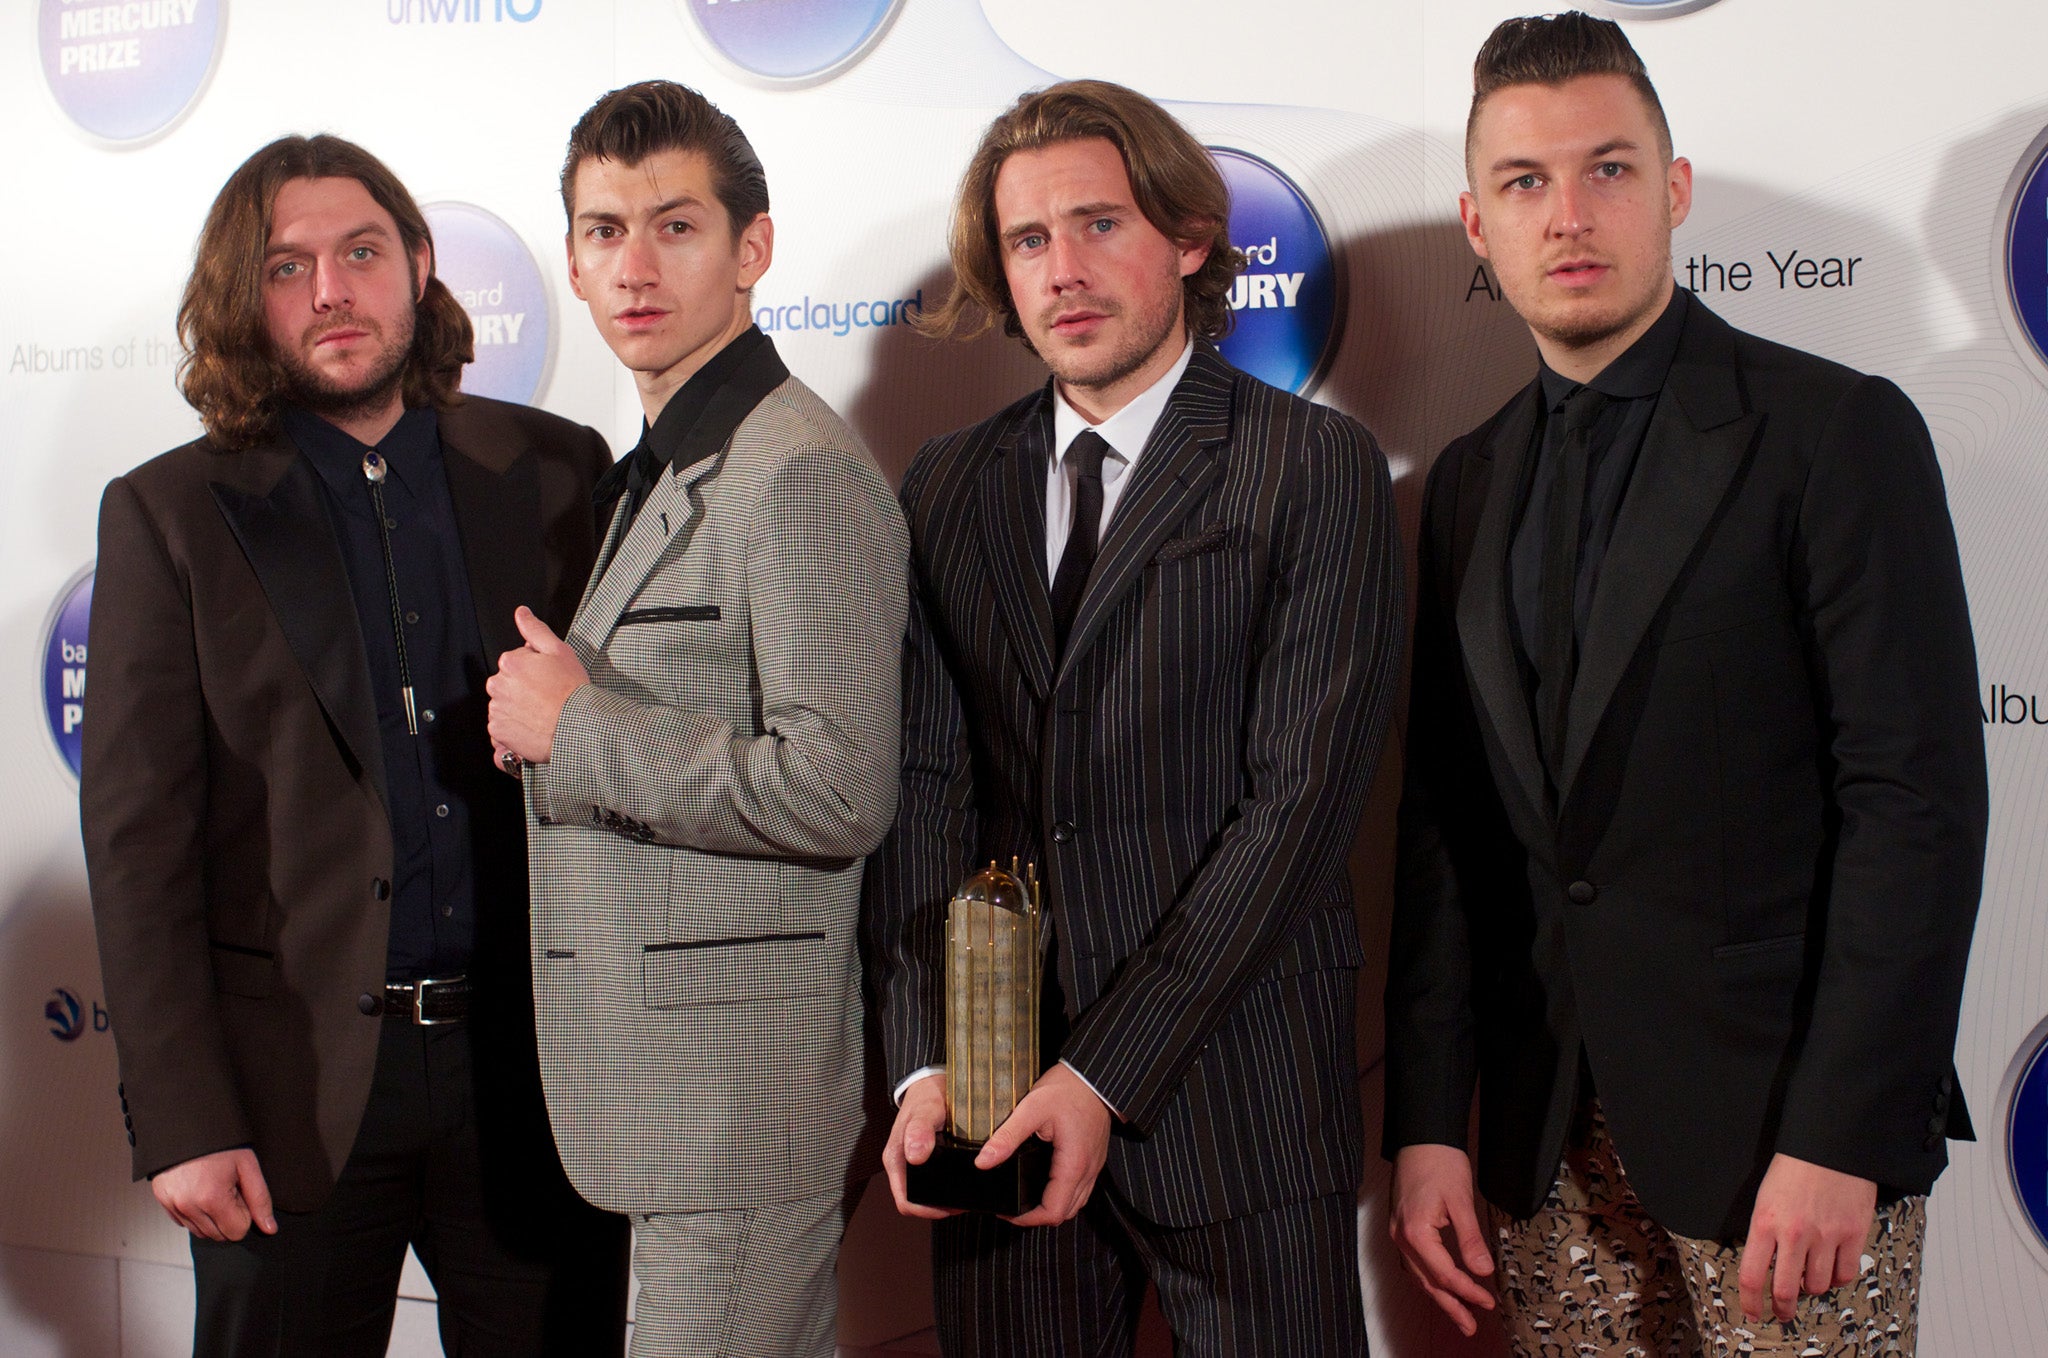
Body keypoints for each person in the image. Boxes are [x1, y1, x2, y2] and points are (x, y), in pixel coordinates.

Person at [1384, 13, 1986, 1357]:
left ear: (1676, 190)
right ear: (1478, 225)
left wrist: (1842, 1131)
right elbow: (1449, 828)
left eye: (1609, 168)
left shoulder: (1833, 431)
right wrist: (1430, 1119)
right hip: (1547, 1147)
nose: (1571, 214)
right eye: (1527, 184)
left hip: (1789, 1145)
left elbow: (1917, 807)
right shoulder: (1467, 479)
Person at [865, 78, 1402, 1356]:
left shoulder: (1308, 464)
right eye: (1028, 240)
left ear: (1188, 239)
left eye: (1099, 224)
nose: (1063, 269)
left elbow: (1296, 812)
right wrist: (920, 1059)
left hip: (1239, 1095)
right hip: (991, 1097)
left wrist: (1102, 1070)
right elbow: (925, 788)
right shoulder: (945, 482)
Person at [81, 134, 628, 1356]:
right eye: (286, 266)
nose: (330, 290)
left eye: (361, 252)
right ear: (245, 298)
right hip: (293, 1099)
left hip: (530, 1082)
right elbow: (136, 840)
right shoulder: (168, 514)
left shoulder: (556, 469)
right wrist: (180, 1116)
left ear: (420, 266)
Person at [483, 80, 908, 1358]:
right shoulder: (673, 458)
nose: (633, 265)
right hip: (666, 1096)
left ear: (752, 248)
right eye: (604, 231)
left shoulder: (798, 471)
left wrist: (583, 729)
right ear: (569, 257)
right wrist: (561, 731)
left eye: (674, 225)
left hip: (737, 1100)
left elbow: (841, 786)